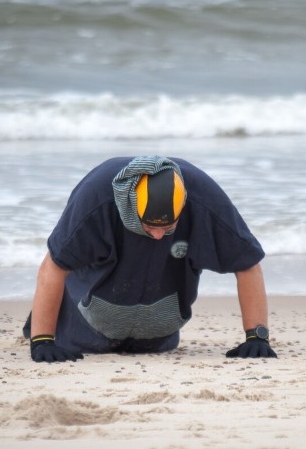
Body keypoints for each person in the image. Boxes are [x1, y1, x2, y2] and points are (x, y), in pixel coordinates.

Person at [23, 155, 276, 362]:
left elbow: (247, 264)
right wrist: (42, 340)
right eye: (150, 226)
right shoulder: (97, 197)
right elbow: (54, 266)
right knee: (83, 334)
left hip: (159, 333)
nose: (158, 235)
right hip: (89, 326)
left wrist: (257, 336)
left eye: (167, 227)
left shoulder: (204, 198)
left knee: (154, 343)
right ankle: (39, 322)